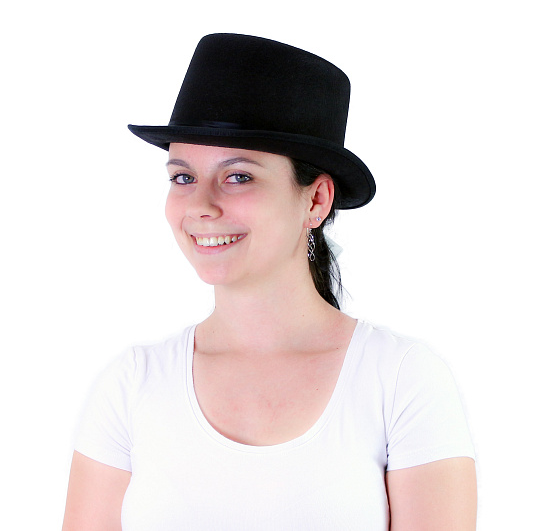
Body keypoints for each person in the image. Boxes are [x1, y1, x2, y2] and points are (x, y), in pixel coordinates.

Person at [62, 34, 476, 530]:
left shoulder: (401, 380)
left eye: (238, 176)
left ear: (316, 201)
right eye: (182, 177)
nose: (201, 206)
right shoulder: (131, 385)